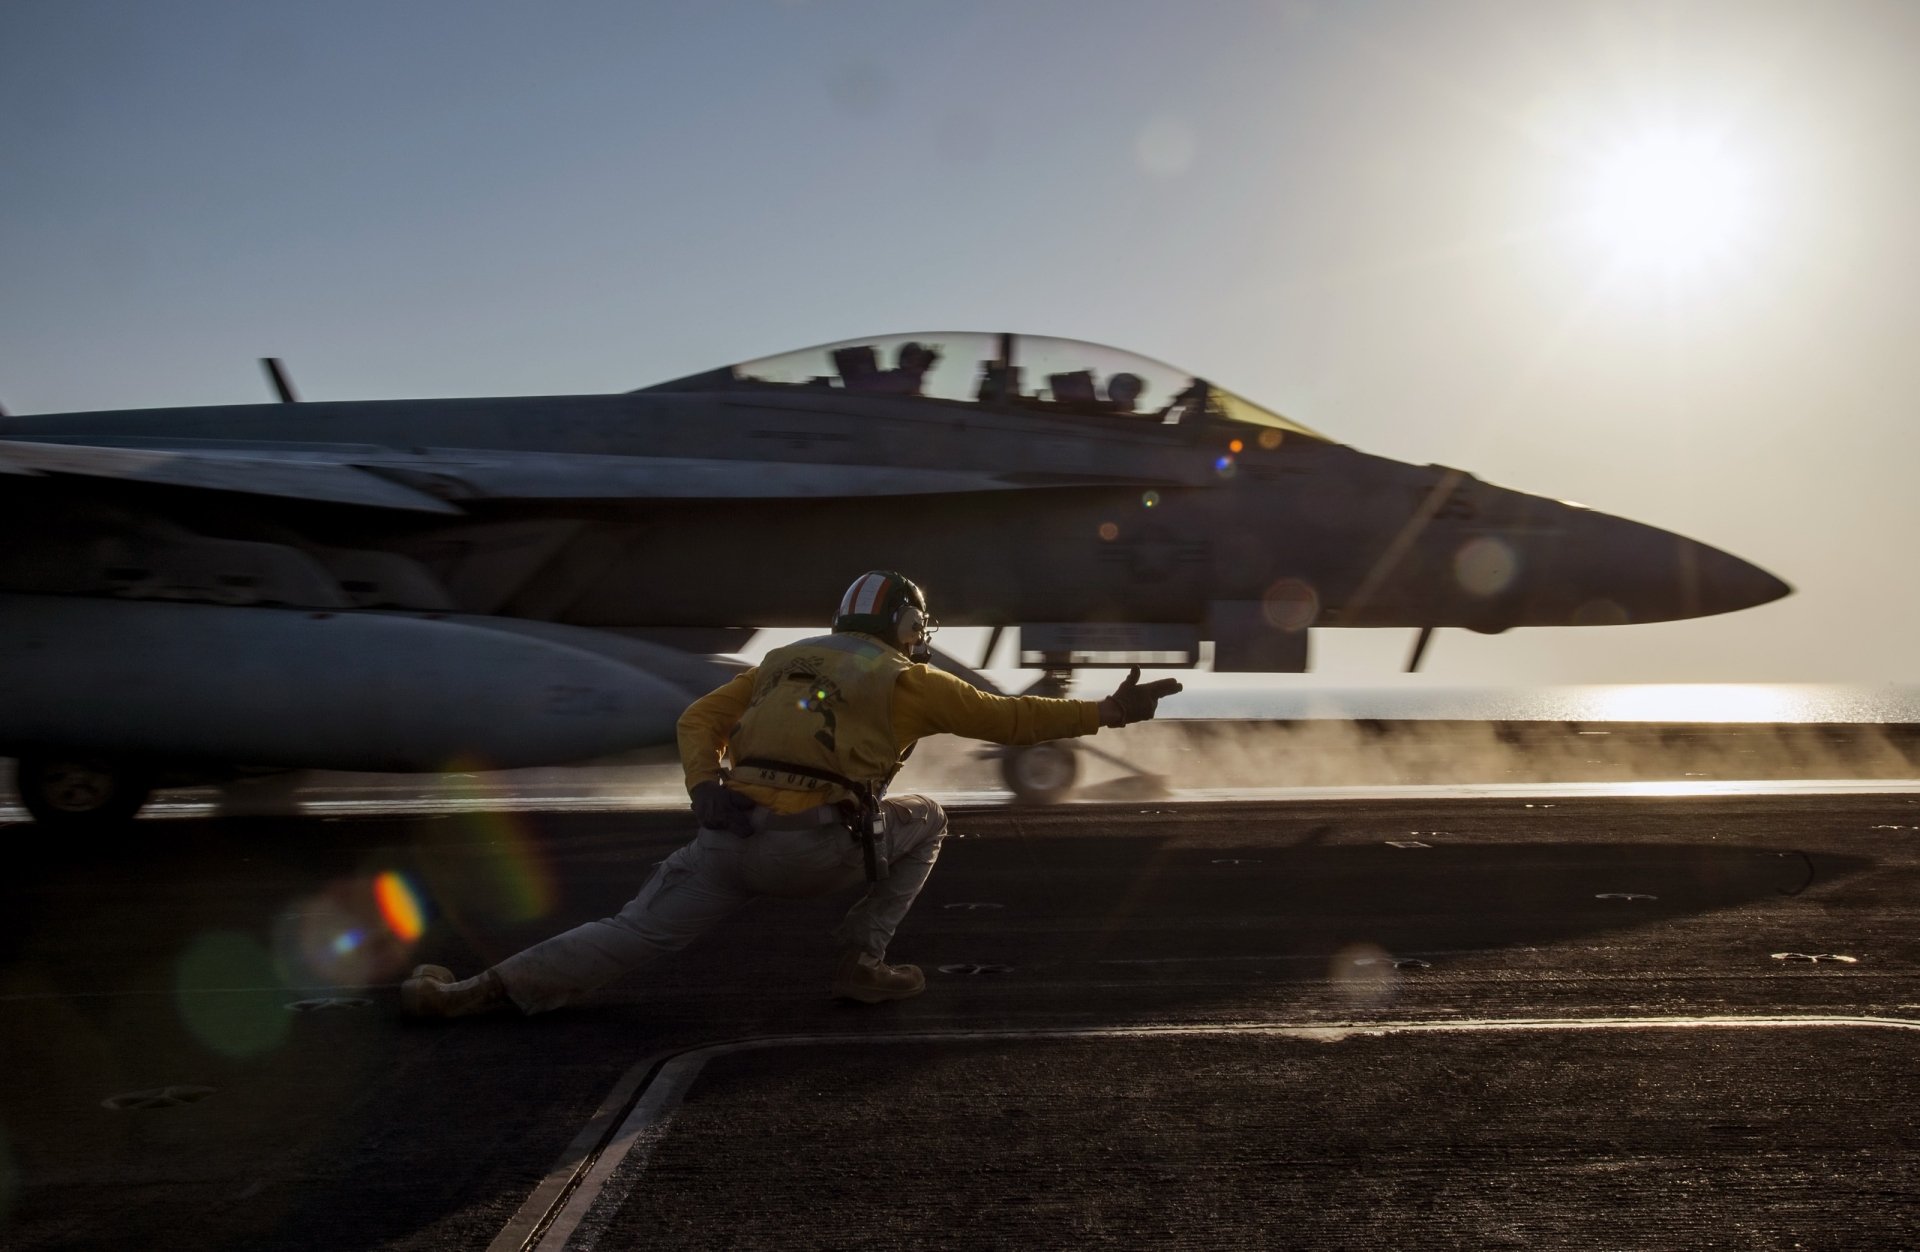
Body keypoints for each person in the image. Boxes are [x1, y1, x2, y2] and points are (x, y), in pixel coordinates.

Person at [401, 571, 1181, 1017]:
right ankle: (861, 961)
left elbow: (699, 717)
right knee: (931, 819)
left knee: (631, 933)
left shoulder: (782, 660)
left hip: (728, 837)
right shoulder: (909, 677)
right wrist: (1107, 712)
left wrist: (705, 786)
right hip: (817, 848)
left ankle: (476, 990)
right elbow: (1010, 720)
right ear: (906, 623)